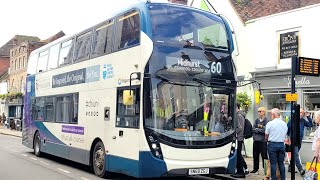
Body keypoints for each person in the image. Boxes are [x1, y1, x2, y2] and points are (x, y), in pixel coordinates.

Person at [287, 108, 312, 175]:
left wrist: (308, 116)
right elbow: (287, 129)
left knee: (295, 155)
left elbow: (310, 125)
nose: (301, 114)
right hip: (293, 140)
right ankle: (300, 169)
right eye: (300, 112)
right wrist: (288, 138)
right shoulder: (292, 120)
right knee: (295, 154)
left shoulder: (302, 121)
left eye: (302, 113)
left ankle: (290, 167)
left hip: (299, 141)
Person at [265, 108, 287, 180]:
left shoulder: (270, 123)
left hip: (272, 144)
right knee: (281, 163)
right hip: (281, 144)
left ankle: (273, 178)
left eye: (271, 114)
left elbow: (266, 135)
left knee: (273, 163)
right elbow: (285, 134)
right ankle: (283, 178)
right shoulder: (284, 124)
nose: (271, 115)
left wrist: (267, 140)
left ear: (273, 115)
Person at [231, 103, 248, 178]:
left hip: (238, 138)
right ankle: (239, 171)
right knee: (238, 155)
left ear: (236, 107)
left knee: (238, 155)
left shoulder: (238, 115)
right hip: (239, 138)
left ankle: (241, 172)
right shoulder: (240, 115)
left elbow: (240, 127)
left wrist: (233, 132)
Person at [251, 107, 268, 175]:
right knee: (255, 155)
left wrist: (258, 128)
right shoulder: (256, 120)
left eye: (260, 111)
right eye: (258, 111)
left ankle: (266, 170)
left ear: (264, 112)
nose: (259, 113)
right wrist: (259, 129)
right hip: (256, 141)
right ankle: (255, 169)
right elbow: (253, 129)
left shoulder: (266, 120)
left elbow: (265, 130)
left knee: (264, 156)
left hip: (263, 141)